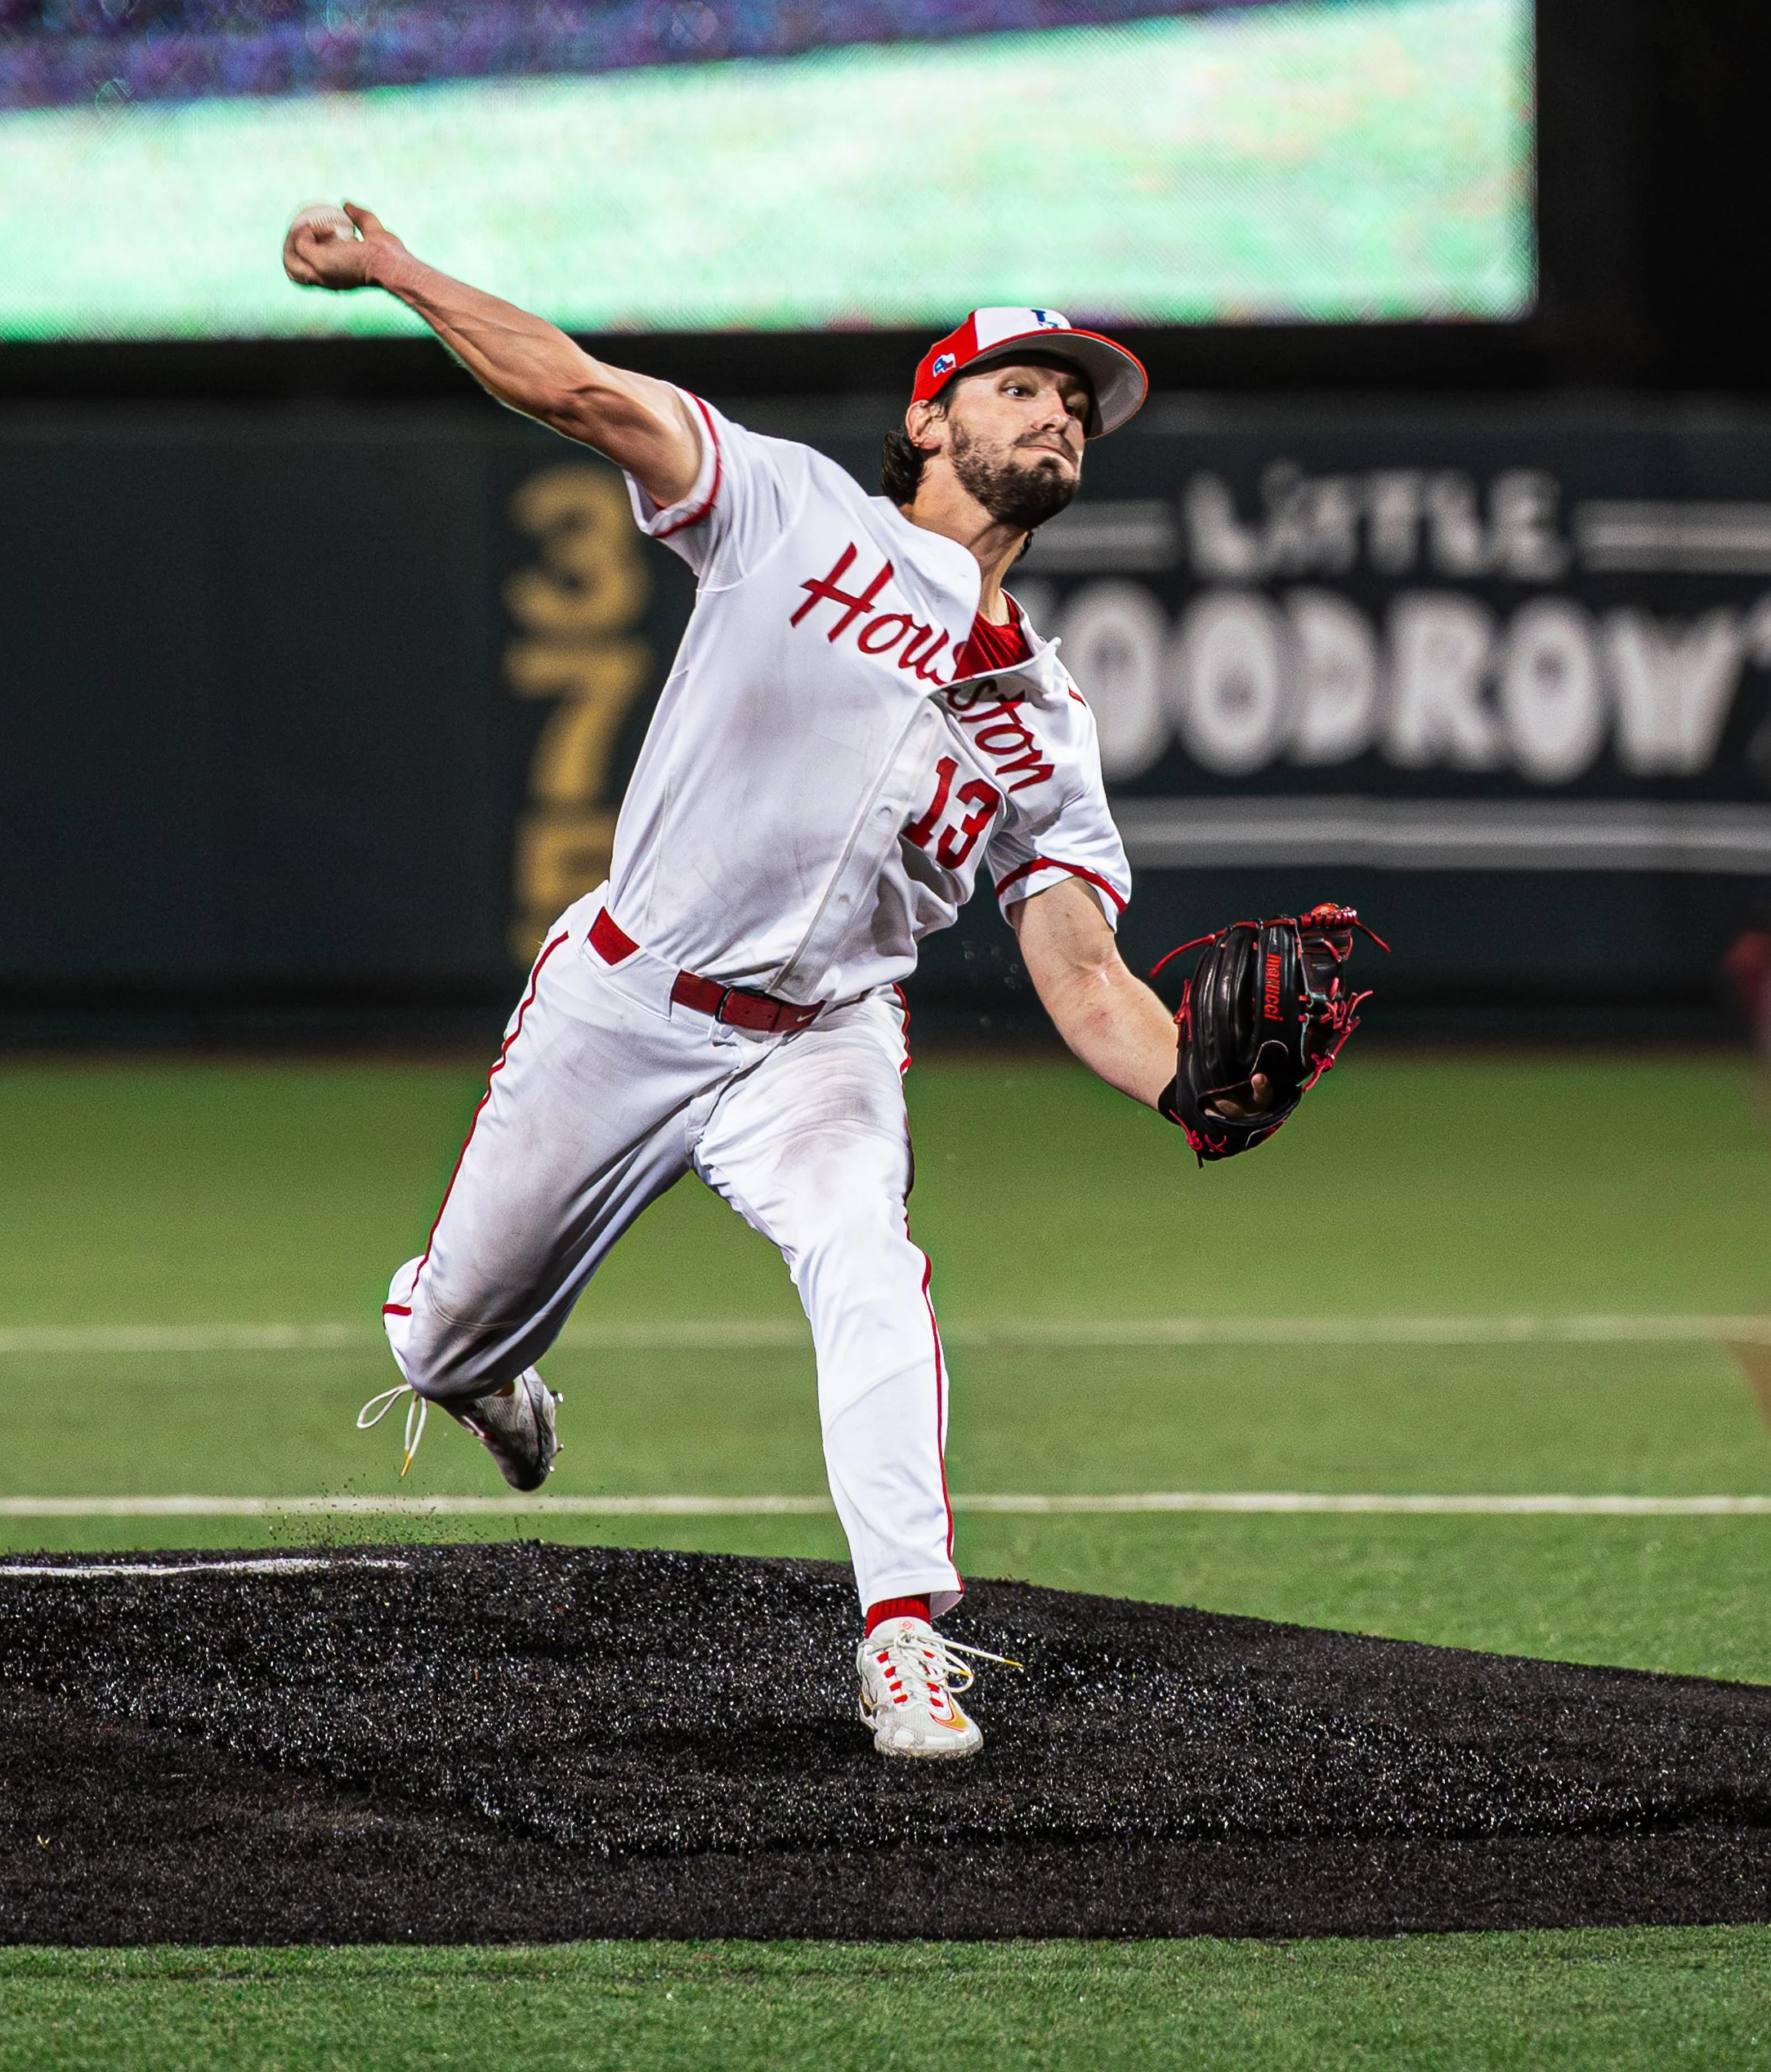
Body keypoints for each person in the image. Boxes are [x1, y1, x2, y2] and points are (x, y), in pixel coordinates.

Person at [284, 204, 1235, 1761]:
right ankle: (480, 1370)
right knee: (445, 1342)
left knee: (869, 1259)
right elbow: (579, 392)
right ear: (929, 417)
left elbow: (1083, 976)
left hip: (823, 1046)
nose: (1058, 411)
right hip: (627, 1001)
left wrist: (1196, 1084)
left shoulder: (1046, 722)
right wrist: (395, 272)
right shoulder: (793, 511)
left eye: (1077, 404)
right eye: (1022, 387)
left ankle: (905, 1635)